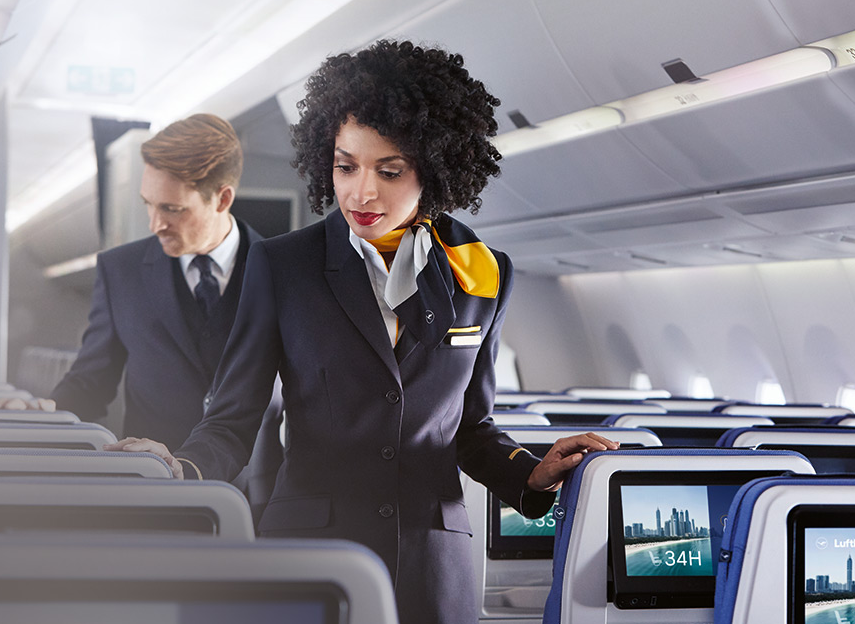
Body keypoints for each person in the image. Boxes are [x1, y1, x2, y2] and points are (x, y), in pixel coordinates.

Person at [108, 40, 617, 624]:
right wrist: (178, 466)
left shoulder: (482, 271)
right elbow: (233, 418)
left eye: (389, 170)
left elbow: (470, 429)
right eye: (345, 166)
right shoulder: (284, 265)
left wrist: (532, 469)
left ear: (435, 166)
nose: (361, 192)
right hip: (313, 560)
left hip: (434, 569)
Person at [0, 114, 266, 451]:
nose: (155, 224)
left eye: (172, 209)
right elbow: (91, 383)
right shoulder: (122, 271)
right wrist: (47, 411)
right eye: (148, 205)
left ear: (222, 199)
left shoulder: (280, 270)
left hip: (262, 487)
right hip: (150, 478)